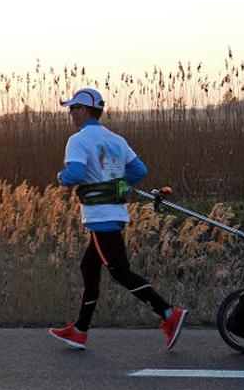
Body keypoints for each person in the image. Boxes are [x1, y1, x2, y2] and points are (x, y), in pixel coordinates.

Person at [48, 88, 187, 351]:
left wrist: (61, 178)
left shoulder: (78, 141)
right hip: (115, 213)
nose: (70, 114)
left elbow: (75, 171)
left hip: (100, 218)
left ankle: (169, 314)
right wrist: (119, 186)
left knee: (120, 273)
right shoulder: (115, 140)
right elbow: (138, 170)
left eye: (72, 109)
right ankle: (79, 330)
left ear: (83, 110)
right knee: (89, 268)